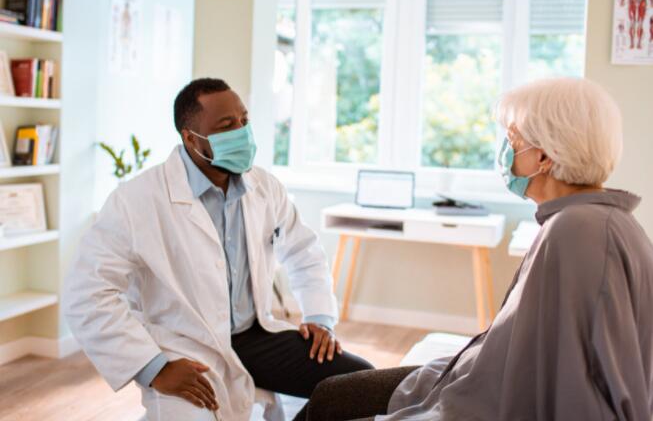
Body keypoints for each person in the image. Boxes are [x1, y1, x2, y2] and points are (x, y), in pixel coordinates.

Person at [301, 77, 653, 421]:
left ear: (544, 156)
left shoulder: (577, 230)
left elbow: (581, 387)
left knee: (331, 399)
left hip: (485, 395)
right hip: (475, 374)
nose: (506, 152)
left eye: (512, 140)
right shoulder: (595, 221)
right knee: (333, 393)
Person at [65, 78, 373, 421]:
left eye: (244, 121)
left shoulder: (264, 187)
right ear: (190, 137)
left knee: (363, 386)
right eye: (226, 126)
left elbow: (304, 251)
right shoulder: (136, 200)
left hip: (256, 337)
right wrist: (155, 367)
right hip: (185, 345)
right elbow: (86, 294)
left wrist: (319, 318)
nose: (241, 132)